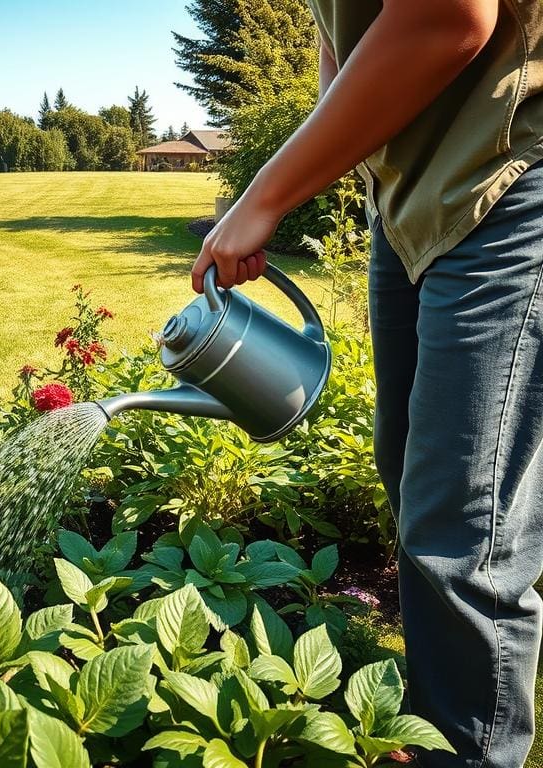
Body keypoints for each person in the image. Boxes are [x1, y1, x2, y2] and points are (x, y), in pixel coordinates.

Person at [192, 2, 543, 766]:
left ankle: (467, 751)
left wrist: (265, 195)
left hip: (508, 174)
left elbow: (448, 16)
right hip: (410, 200)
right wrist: (325, 167)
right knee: (413, 474)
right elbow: (343, 45)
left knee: (462, 525)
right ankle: (439, 724)